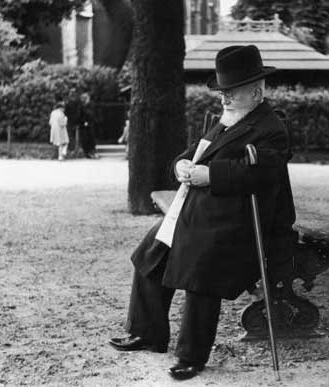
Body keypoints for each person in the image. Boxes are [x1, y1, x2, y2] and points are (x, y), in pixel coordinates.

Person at [109, 45, 296, 381]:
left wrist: (211, 175)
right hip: (198, 212)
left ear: (257, 91)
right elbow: (194, 154)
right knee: (151, 252)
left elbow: (264, 175)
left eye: (232, 91)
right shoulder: (227, 120)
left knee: (201, 265)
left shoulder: (271, 127)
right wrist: (181, 166)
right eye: (222, 91)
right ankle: (147, 331)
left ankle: (191, 355)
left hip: (236, 220)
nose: (224, 98)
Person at [78, 92, 98, 158]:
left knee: (91, 138)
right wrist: (83, 121)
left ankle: (92, 152)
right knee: (85, 139)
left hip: (90, 124)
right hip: (83, 125)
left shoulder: (91, 105)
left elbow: (92, 114)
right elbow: (80, 115)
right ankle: (87, 153)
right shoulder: (81, 106)